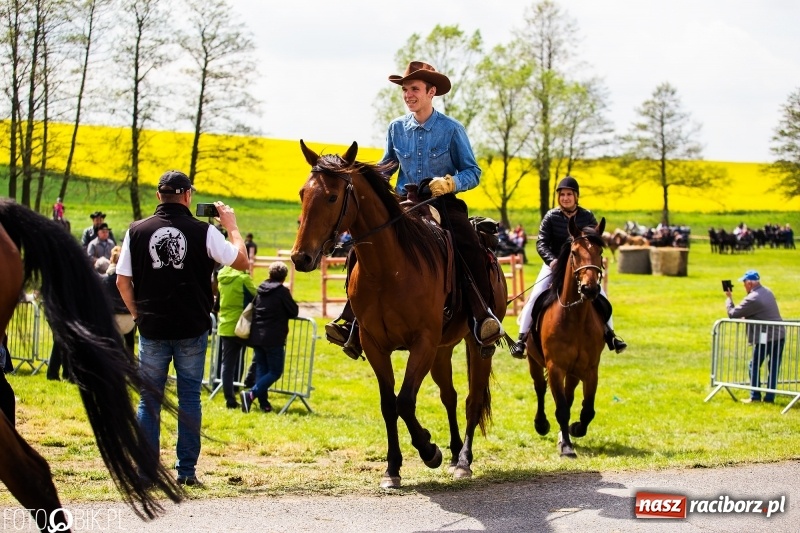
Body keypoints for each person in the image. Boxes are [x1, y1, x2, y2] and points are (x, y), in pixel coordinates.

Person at [324, 60, 503, 359]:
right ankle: (353, 322)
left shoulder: (452, 129)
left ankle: (481, 317)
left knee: (468, 246)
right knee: (361, 245)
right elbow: (387, 168)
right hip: (403, 204)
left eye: (414, 89)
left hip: (443, 204)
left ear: (431, 92)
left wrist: (450, 183)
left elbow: (473, 172)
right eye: (405, 90)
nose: (408, 95)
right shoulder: (395, 128)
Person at [116, 169, 248, 486]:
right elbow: (241, 262)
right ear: (188, 196)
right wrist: (231, 227)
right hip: (191, 327)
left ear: (159, 195)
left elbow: (122, 280)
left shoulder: (136, 231)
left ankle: (146, 471)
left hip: (152, 328)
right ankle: (186, 472)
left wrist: (137, 315)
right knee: (190, 399)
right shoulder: (204, 232)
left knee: (149, 400)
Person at [511, 176, 627, 358]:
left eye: (569, 194)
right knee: (535, 296)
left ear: (576, 197)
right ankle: (521, 339)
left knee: (602, 297)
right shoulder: (551, 216)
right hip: (554, 265)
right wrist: (553, 261)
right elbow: (541, 243)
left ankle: (611, 335)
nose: (565, 198)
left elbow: (594, 241)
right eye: (562, 194)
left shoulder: (587, 216)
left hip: (580, 266)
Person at [241, 262, 299, 413]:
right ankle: (251, 395)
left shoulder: (260, 289)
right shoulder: (282, 292)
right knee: (275, 371)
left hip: (257, 336)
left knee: (262, 369)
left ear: (269, 274)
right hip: (273, 338)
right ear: (284, 277)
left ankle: (264, 404)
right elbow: (293, 311)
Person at [725, 270, 785, 403]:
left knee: (754, 364)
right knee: (773, 367)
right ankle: (770, 398)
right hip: (780, 334)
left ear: (750, 283)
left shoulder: (753, 297)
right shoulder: (767, 291)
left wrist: (729, 298)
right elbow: (761, 311)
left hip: (766, 336)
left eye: (744, 283)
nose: (743, 286)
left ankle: (755, 396)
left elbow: (732, 313)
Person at [217, 264, 257, 409]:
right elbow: (256, 296)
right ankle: (250, 382)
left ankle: (230, 399)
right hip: (243, 327)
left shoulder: (221, 279)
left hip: (225, 326)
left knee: (227, 365)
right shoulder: (243, 279)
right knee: (262, 352)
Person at [102, 246, 136, 352]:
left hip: (113, 320)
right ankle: (130, 365)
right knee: (130, 345)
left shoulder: (104, 280)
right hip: (130, 320)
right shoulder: (131, 280)